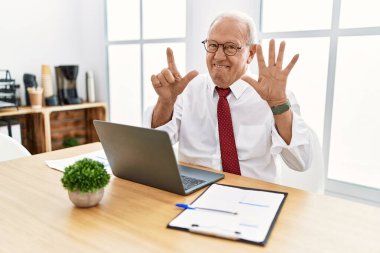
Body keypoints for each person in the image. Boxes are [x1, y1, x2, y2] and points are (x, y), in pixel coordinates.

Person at [143, 11, 312, 183]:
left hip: (253, 198)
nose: (218, 56)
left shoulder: (274, 96)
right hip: (193, 193)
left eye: (231, 47)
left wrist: (278, 104)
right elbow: (151, 148)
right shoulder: (187, 90)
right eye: (213, 45)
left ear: (251, 53)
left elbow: (301, 162)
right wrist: (165, 102)